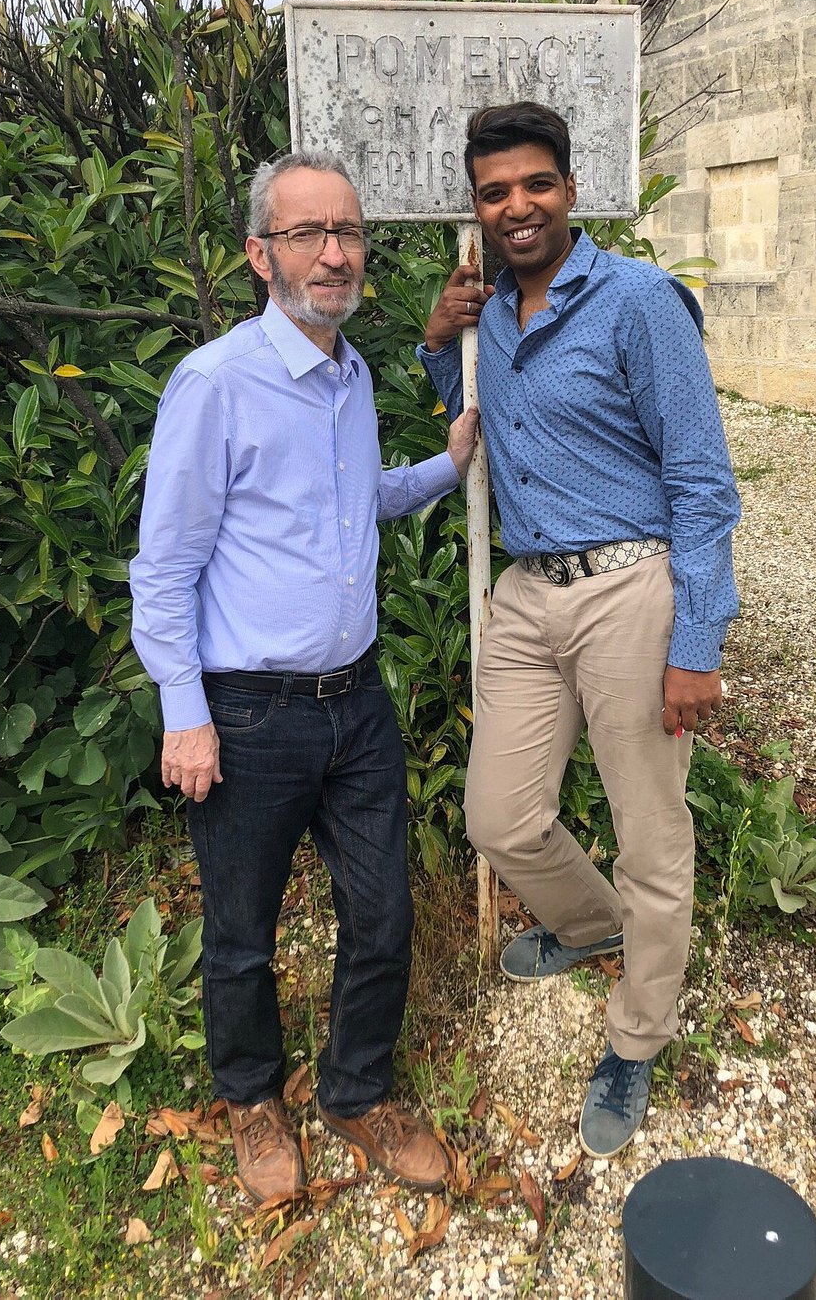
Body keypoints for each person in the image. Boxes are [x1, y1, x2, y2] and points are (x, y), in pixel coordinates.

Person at [130, 151, 479, 1202]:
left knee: (382, 913)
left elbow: (350, 503)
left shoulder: (351, 373)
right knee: (241, 934)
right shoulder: (214, 385)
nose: (334, 253)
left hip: (354, 704)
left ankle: (353, 1092)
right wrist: (186, 718)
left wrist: (446, 466)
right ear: (258, 253)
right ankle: (249, 1099)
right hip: (248, 713)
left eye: (348, 232)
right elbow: (164, 569)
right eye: (307, 234)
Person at [418, 102, 740, 1159]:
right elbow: (480, 427)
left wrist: (696, 639)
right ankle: (593, 928)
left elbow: (698, 479)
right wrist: (436, 348)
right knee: (499, 818)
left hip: (627, 593)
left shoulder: (639, 302)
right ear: (476, 207)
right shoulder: (488, 319)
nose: (516, 206)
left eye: (534, 184)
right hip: (526, 593)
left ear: (569, 187)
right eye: (493, 191)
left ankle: (637, 1036)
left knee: (652, 833)